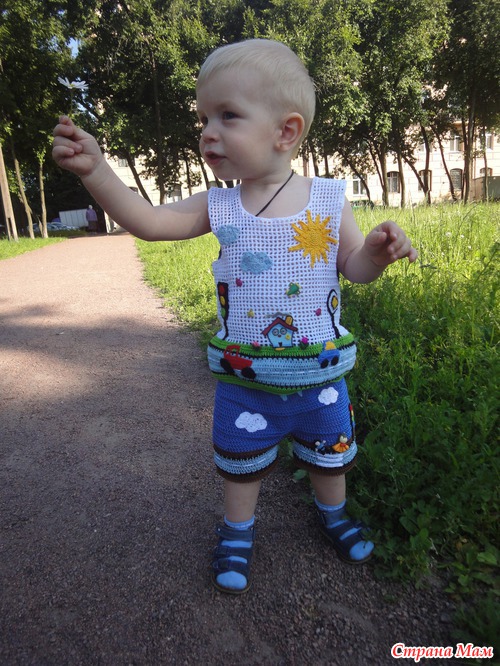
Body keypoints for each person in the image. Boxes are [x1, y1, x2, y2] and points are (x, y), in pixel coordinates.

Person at [53, 38, 417, 595]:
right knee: (239, 461)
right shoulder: (218, 204)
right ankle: (237, 530)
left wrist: (375, 254)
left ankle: (334, 514)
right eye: (203, 118)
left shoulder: (328, 199)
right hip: (244, 380)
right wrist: (97, 171)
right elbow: (148, 221)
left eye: (227, 115)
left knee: (329, 458)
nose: (207, 131)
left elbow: (353, 269)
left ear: (286, 131)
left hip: (319, 376)